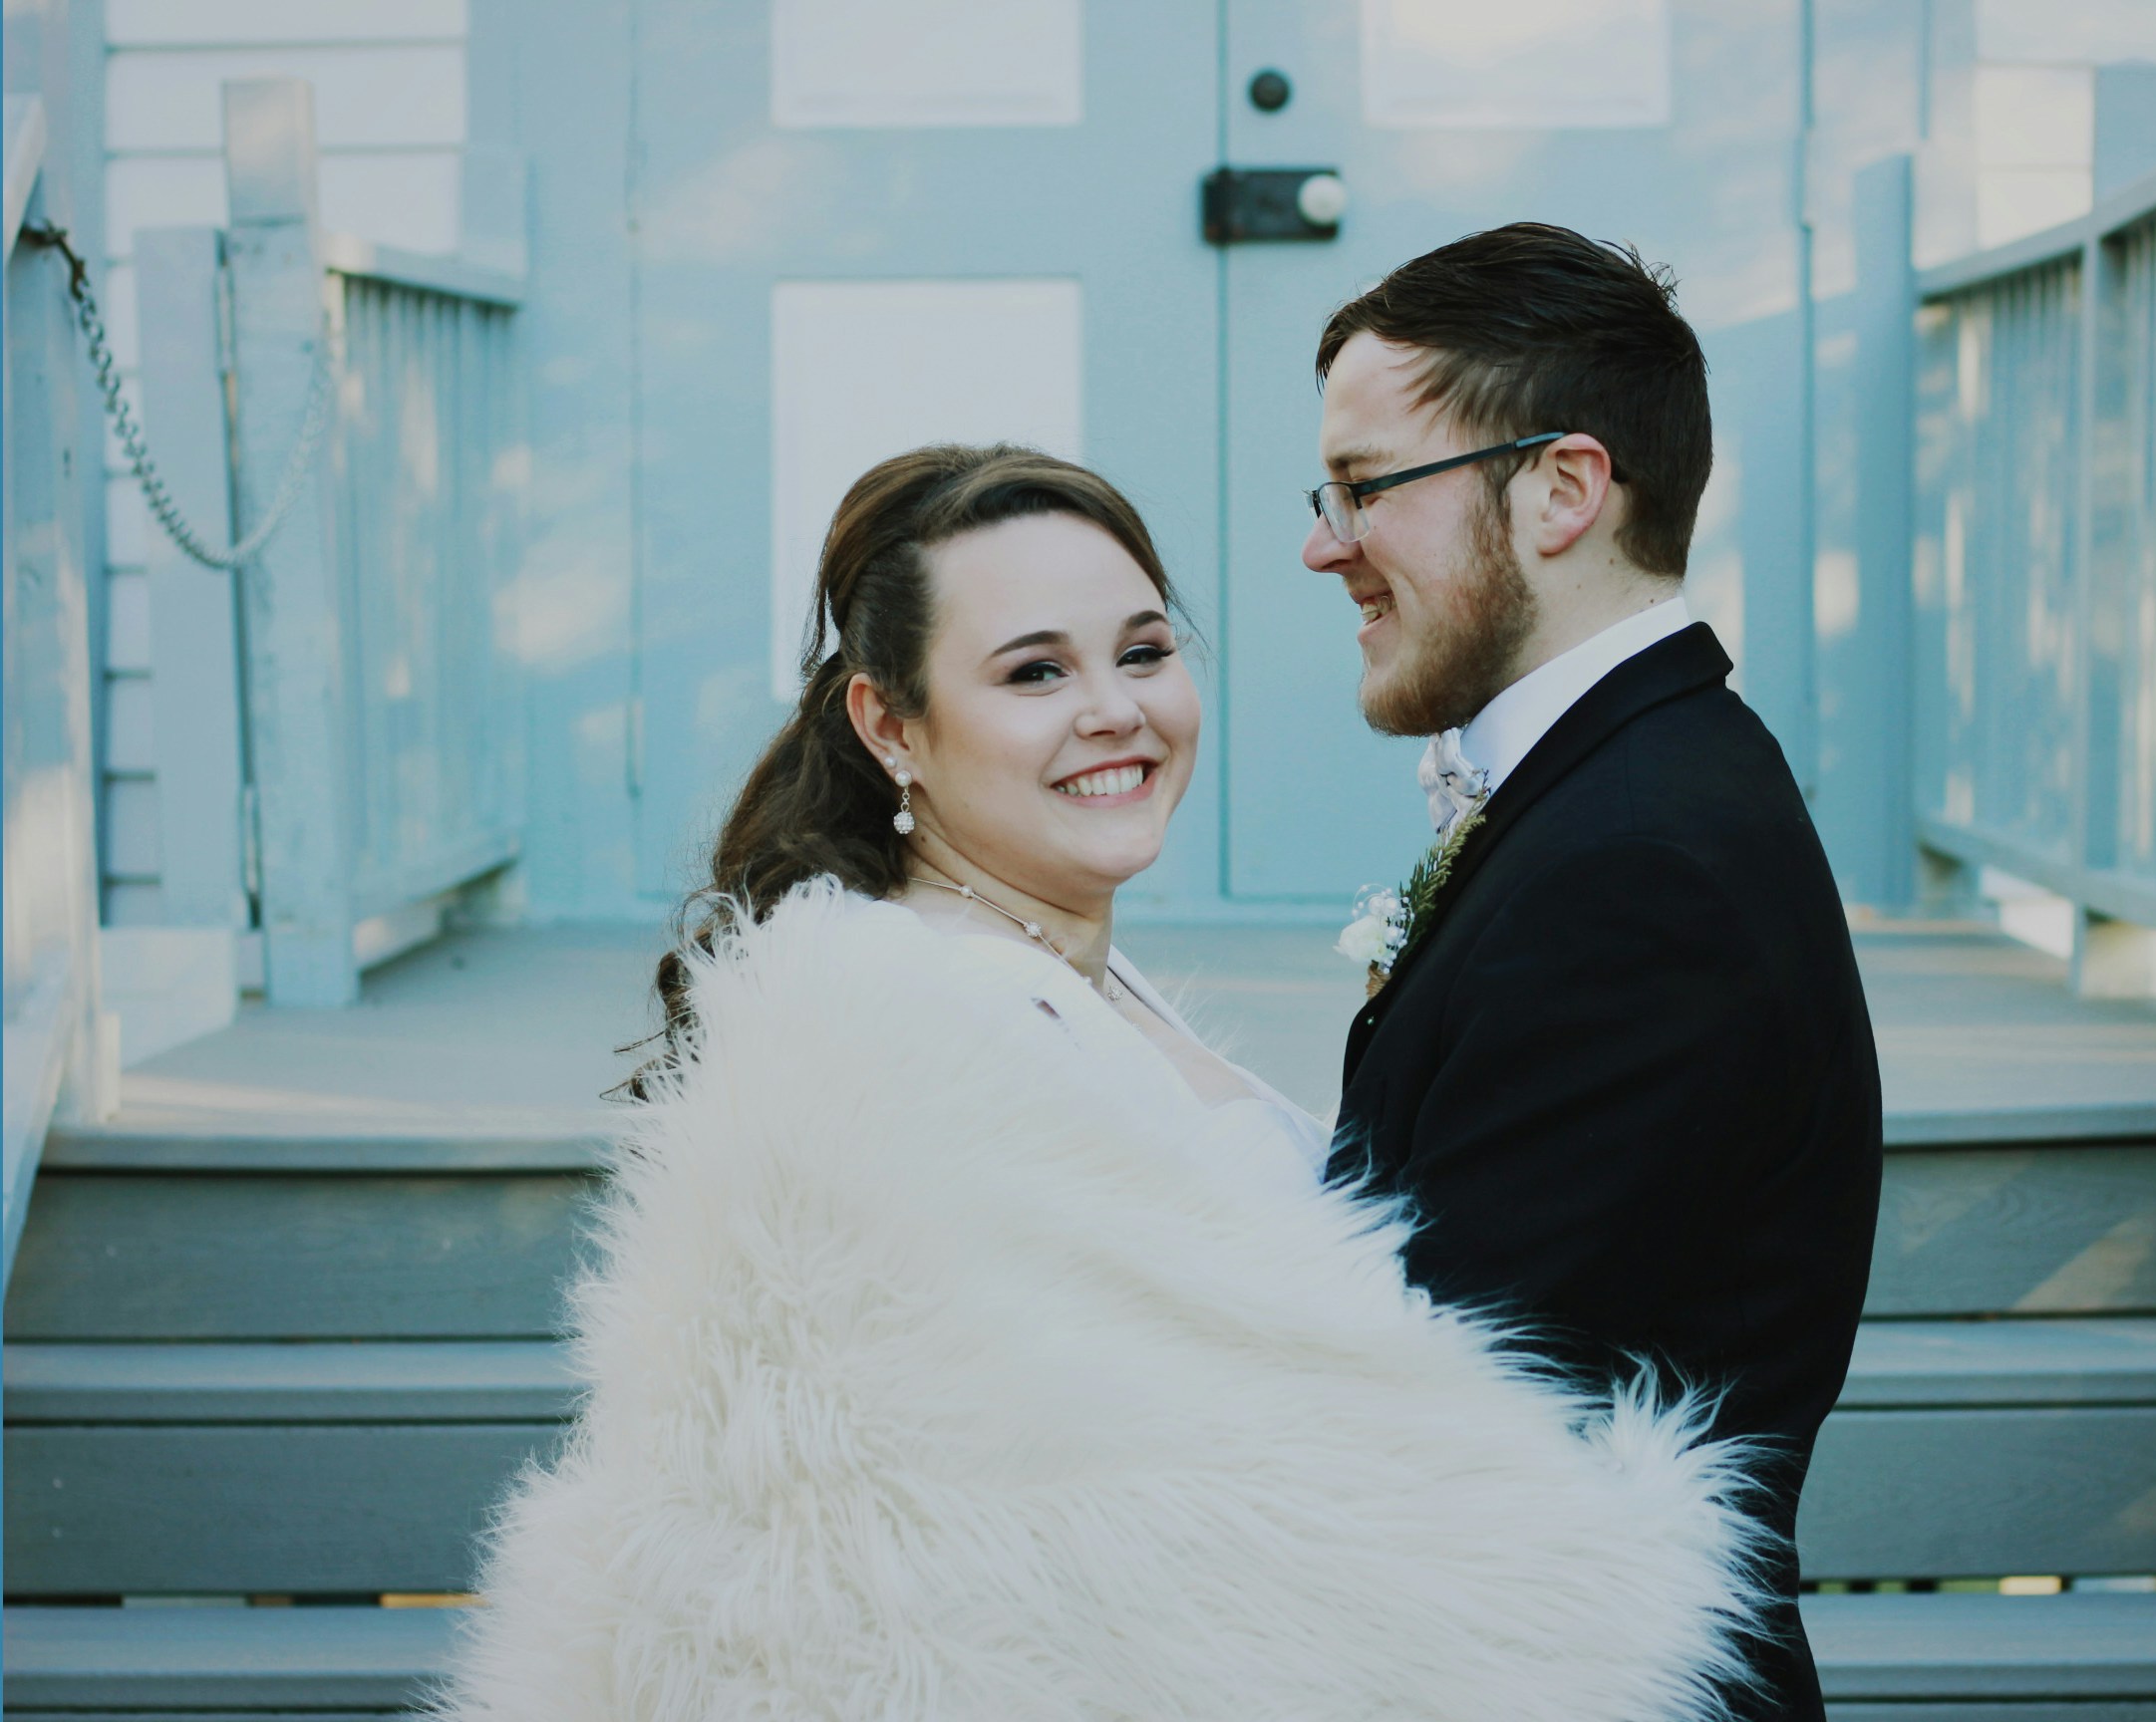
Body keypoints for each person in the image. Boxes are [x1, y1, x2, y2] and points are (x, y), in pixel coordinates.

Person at [435, 444, 1763, 1720]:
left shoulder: (1050, 980)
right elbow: (988, 1557)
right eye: (1033, 673)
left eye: (1143, 651)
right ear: (889, 723)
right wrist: (1582, 1562)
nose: (1115, 711)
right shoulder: (906, 1037)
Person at [1310, 225, 1884, 1722]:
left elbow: (1457, 1396)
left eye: (1364, 488)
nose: (1325, 542)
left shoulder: (1643, 869)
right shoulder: (1630, 785)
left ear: (1562, 488)